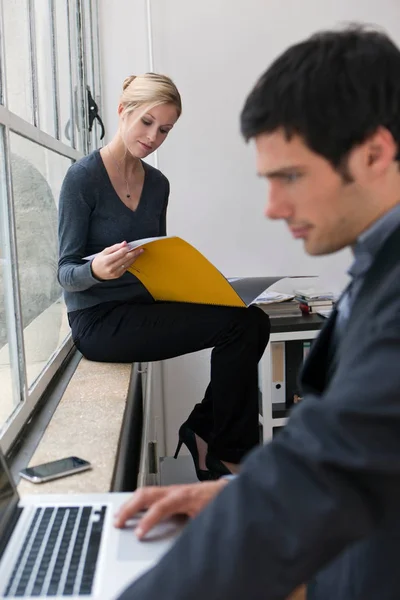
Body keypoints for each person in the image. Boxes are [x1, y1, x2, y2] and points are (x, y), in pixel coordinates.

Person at [114, 26, 400, 600]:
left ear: (373, 153)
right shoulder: (378, 261)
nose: (271, 208)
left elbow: (329, 471)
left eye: (289, 176)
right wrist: (231, 494)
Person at [58, 72, 270, 481]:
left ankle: (209, 432)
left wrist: (201, 284)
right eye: (147, 123)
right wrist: (96, 270)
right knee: (239, 328)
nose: (154, 137)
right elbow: (66, 273)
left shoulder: (158, 184)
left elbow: (156, 256)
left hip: (144, 305)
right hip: (99, 320)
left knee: (252, 320)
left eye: (165, 130)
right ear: (123, 111)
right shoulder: (82, 179)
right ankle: (223, 448)